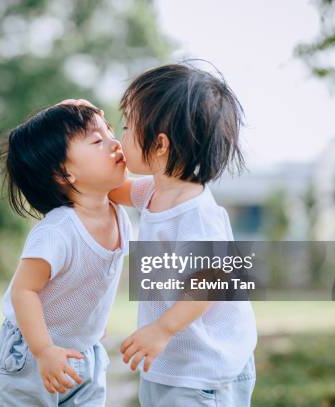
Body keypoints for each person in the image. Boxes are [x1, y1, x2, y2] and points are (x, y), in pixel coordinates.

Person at [109, 63, 258, 407]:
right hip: (174, 362)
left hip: (206, 368)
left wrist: (162, 329)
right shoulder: (152, 191)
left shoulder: (196, 212)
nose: (121, 138)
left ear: (160, 145)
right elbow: (111, 190)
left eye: (128, 127)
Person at [0, 103, 131, 406]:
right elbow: (24, 291)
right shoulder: (58, 231)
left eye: (111, 133)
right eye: (97, 140)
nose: (114, 143)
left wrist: (82, 109)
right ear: (64, 173)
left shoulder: (118, 207)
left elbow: (163, 194)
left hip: (85, 354)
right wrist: (43, 350)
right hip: (31, 355)